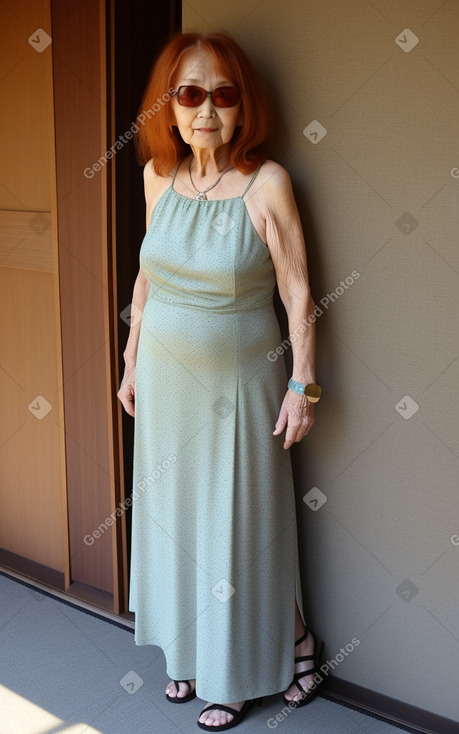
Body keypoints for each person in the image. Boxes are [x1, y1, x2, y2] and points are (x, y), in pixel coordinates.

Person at [117, 31, 323, 732]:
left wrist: (302, 384)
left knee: (237, 526)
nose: (206, 108)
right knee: (177, 522)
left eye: (222, 94)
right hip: (165, 385)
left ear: (241, 108)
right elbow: (147, 275)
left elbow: (297, 293)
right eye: (190, 93)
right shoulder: (155, 177)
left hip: (240, 391)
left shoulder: (265, 183)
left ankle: (272, 654)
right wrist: (129, 358)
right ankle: (190, 649)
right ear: (168, 107)